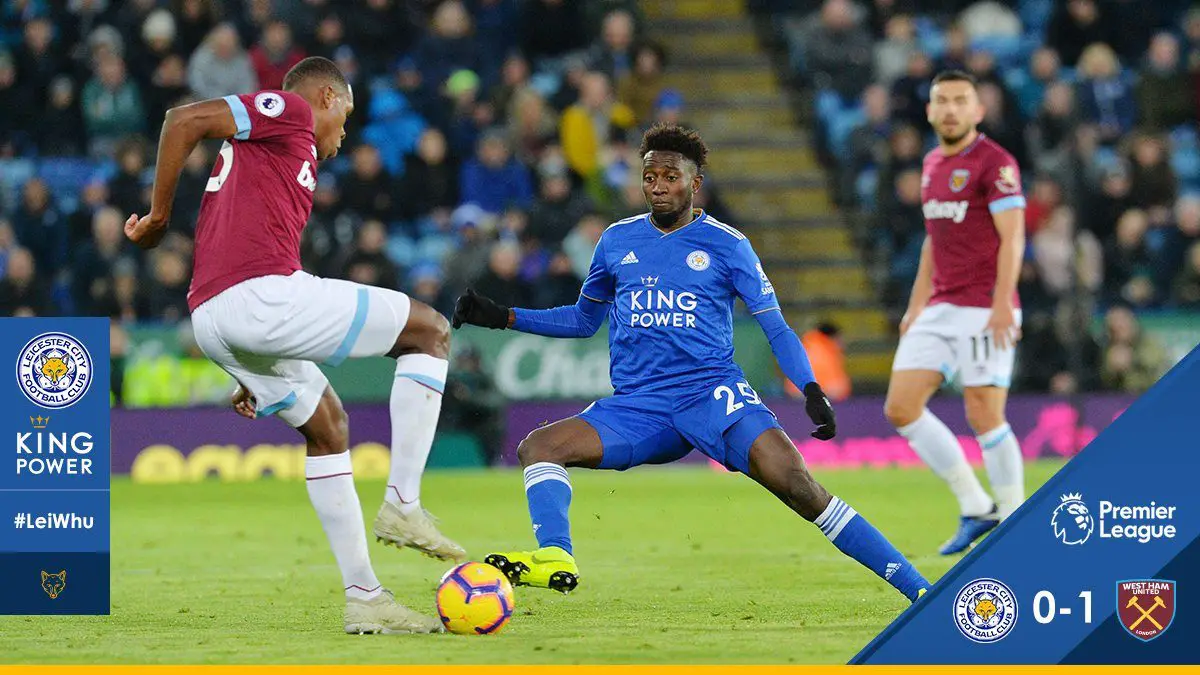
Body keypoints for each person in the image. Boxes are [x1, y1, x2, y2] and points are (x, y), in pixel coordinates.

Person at [452, 124, 929, 603]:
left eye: (670, 176)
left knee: (798, 485)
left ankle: (920, 591)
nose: (658, 186)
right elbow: (581, 320)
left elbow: (777, 328)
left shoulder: (727, 244)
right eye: (649, 177)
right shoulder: (617, 241)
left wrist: (810, 387)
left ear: (695, 183)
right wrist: (503, 316)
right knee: (539, 447)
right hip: (640, 406)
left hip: (711, 394)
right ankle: (556, 555)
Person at [123, 56, 459, 635]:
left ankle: (365, 598)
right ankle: (403, 503)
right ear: (326, 96)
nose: (344, 133)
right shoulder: (293, 112)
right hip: (260, 296)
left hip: (215, 316)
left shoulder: (275, 156)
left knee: (328, 427)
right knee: (430, 332)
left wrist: (245, 365)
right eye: (345, 115)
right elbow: (183, 119)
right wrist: (157, 216)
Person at [883, 70, 1028, 556]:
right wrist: (916, 304)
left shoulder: (996, 163)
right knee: (901, 406)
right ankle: (975, 505)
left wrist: (1004, 301)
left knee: (984, 414)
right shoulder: (930, 164)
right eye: (941, 100)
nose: (950, 109)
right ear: (929, 111)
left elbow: (1013, 237)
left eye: (960, 101)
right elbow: (935, 240)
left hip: (985, 306)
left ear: (978, 110)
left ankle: (1014, 519)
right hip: (941, 306)